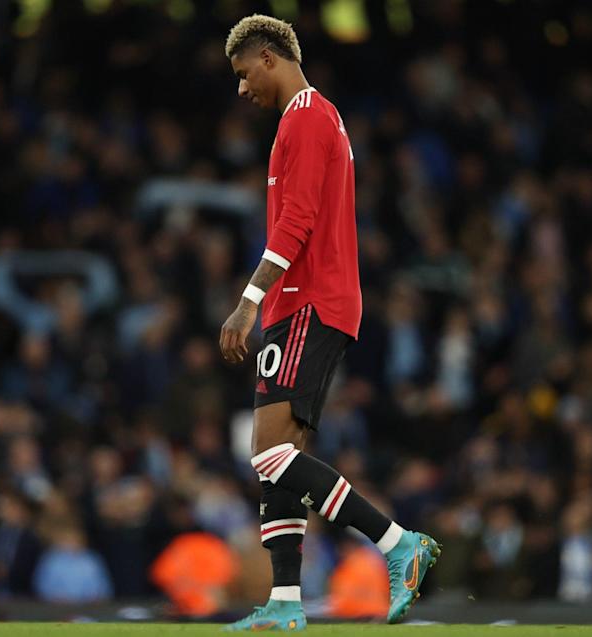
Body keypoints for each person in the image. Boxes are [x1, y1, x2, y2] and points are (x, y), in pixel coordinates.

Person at [218, 15, 440, 630]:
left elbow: (298, 220)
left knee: (266, 454)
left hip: (308, 300)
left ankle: (398, 543)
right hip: (306, 301)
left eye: (242, 75)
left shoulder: (309, 117)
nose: (241, 90)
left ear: (268, 57)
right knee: (281, 457)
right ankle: (286, 605)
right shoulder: (310, 119)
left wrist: (248, 299)